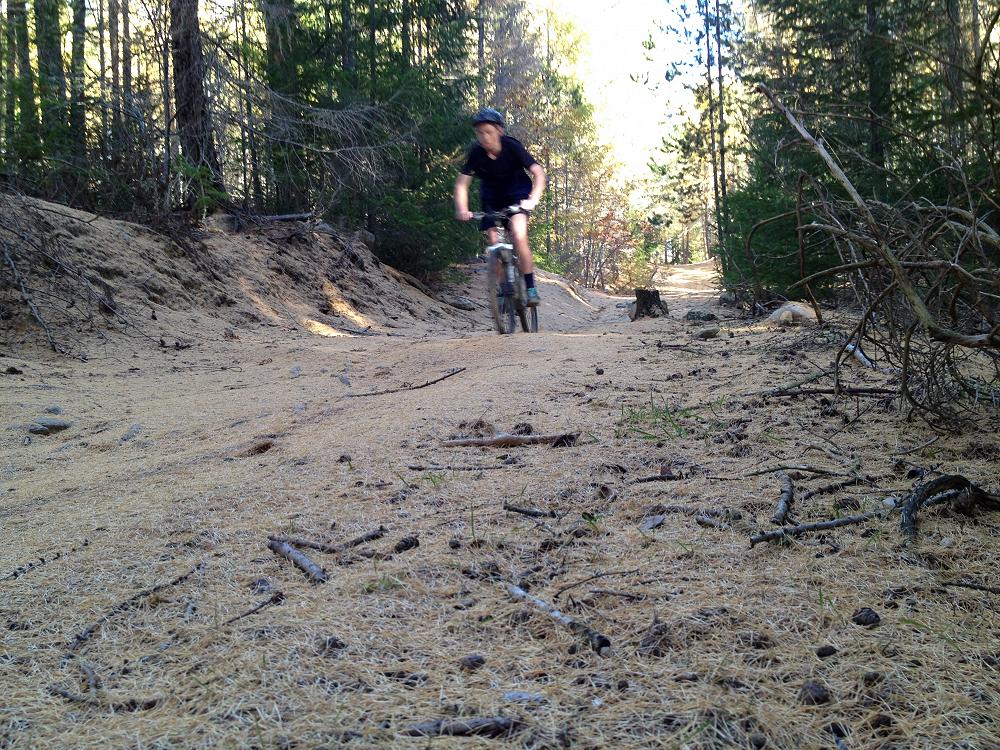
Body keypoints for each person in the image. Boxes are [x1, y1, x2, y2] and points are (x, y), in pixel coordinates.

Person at [453, 108, 546, 306]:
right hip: (491, 199)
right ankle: (505, 290)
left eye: (488, 132)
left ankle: (530, 288)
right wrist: (462, 208)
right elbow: (462, 183)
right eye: (479, 133)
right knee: (494, 244)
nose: (484, 137)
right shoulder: (477, 154)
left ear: (500, 131)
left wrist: (533, 199)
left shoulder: (512, 147)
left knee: (519, 235)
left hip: (518, 195)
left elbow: (538, 172)